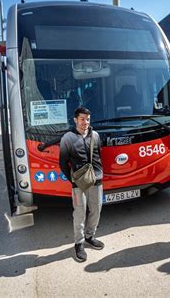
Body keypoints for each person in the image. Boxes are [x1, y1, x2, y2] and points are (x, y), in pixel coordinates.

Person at [59, 107, 104, 262]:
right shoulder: (68, 138)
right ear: (75, 120)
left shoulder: (96, 136)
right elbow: (63, 163)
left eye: (88, 119)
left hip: (96, 180)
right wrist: (72, 180)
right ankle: (79, 243)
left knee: (96, 209)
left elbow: (99, 156)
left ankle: (90, 236)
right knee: (79, 212)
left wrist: (99, 174)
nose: (85, 122)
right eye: (82, 119)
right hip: (78, 183)